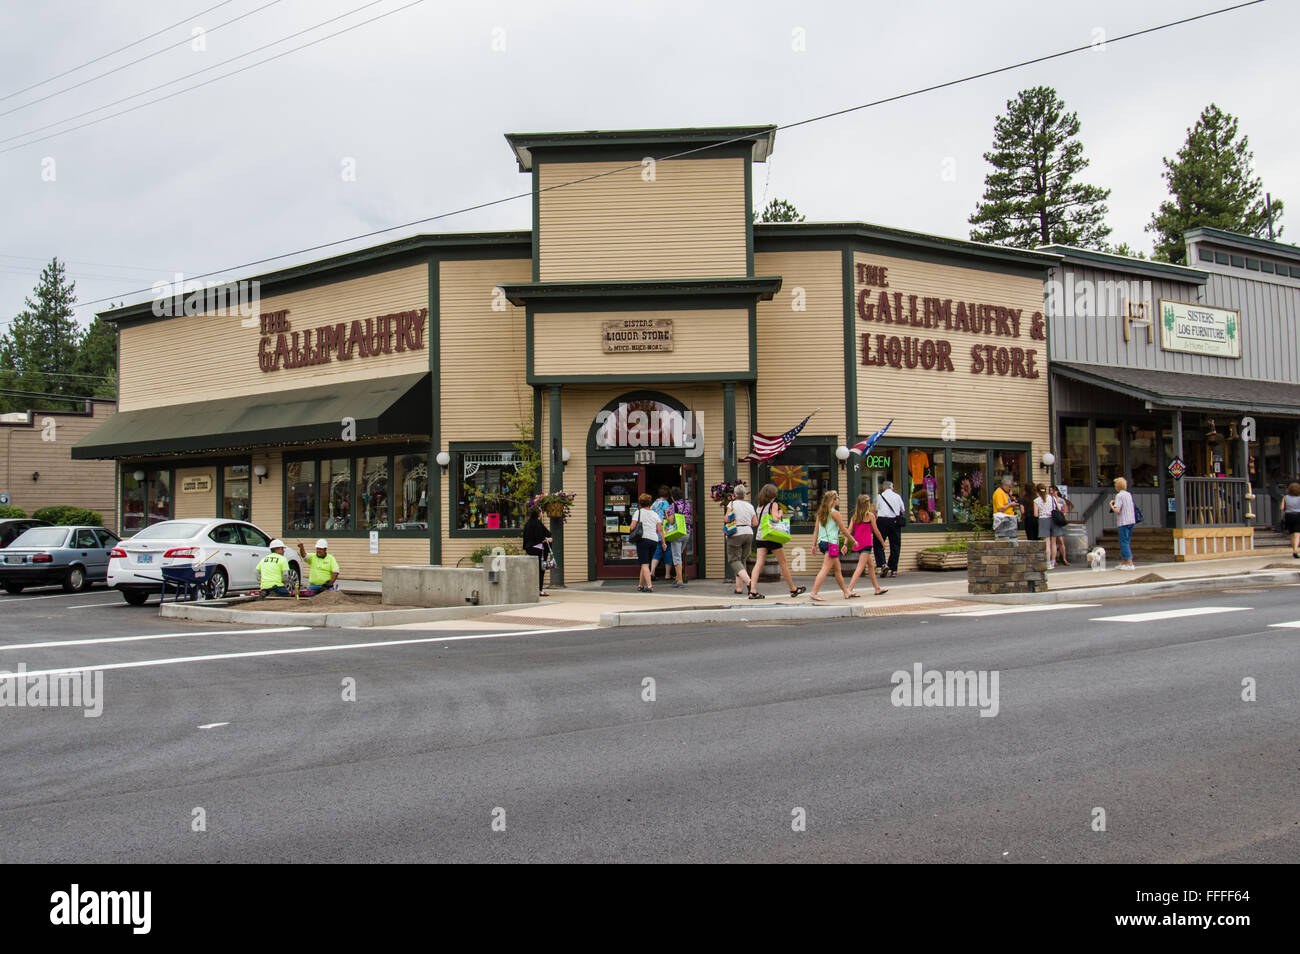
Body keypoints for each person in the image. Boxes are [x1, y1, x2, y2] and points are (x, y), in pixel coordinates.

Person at [749, 483, 806, 600]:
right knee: (783, 563)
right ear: (772, 495)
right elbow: (775, 518)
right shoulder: (773, 504)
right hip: (772, 537)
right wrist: (780, 513)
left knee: (759, 563)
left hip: (761, 536)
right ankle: (793, 589)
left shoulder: (759, 506)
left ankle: (752, 591)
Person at [809, 491, 856, 601]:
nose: (839, 499)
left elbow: (816, 530)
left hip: (822, 543)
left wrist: (813, 545)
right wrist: (853, 540)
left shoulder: (821, 513)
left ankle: (846, 592)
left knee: (837, 569)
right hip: (831, 544)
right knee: (825, 569)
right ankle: (814, 592)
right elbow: (843, 530)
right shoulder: (835, 513)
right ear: (833, 501)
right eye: (837, 498)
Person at [846, 494, 887, 596]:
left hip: (859, 544)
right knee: (860, 567)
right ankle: (849, 589)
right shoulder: (870, 516)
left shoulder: (854, 516)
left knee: (871, 566)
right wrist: (882, 541)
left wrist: (845, 544)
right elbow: (876, 531)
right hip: (866, 544)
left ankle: (877, 588)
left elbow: (849, 531)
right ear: (866, 504)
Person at [725, 484, 756, 596]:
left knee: (733, 560)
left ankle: (749, 582)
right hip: (748, 532)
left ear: (734, 494)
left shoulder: (732, 504)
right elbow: (755, 523)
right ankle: (738, 588)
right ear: (744, 495)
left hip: (735, 532)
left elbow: (726, 518)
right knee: (741, 561)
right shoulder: (750, 506)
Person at [873, 480, 905, 578]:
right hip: (895, 521)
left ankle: (883, 564)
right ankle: (894, 569)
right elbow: (903, 509)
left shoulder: (880, 496)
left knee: (878, 543)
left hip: (882, 521)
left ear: (883, 488)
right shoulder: (897, 496)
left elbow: (877, 509)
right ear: (892, 488)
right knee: (895, 545)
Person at [631, 492, 662, 593]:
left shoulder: (638, 512)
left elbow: (632, 526)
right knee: (645, 564)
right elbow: (660, 529)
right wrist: (664, 542)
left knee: (644, 564)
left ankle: (649, 586)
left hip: (643, 540)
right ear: (650, 503)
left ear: (640, 503)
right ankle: (640, 585)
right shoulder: (655, 514)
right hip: (654, 541)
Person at [521, 506, 553, 596]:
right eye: (541, 511)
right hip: (539, 550)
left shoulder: (527, 524)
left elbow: (527, 538)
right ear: (538, 513)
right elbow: (540, 537)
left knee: (532, 570)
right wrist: (547, 539)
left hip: (529, 550)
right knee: (541, 570)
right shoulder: (537, 523)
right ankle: (539, 590)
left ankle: (532, 589)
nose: (542, 512)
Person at [666, 486, 692, 588]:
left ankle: (680, 581)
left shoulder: (673, 505)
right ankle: (677, 577)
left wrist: (667, 515)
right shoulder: (687, 504)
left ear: (672, 497)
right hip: (686, 532)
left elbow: (671, 520)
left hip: (677, 533)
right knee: (679, 554)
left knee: (677, 557)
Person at [1110, 477, 1137, 570]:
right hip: (1131, 520)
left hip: (1123, 521)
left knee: (1123, 542)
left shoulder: (1119, 496)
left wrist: (1111, 505)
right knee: (1127, 541)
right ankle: (1123, 562)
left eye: (1115, 485)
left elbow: (1117, 510)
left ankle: (1130, 563)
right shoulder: (1128, 494)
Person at [648, 486, 674, 581]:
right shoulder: (666, 504)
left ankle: (652, 572)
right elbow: (668, 516)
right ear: (667, 495)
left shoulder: (654, 504)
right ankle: (667, 575)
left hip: (655, 531)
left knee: (656, 553)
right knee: (668, 552)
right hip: (665, 531)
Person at [1034, 484, 1059, 569]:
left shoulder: (1036, 501)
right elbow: (1058, 508)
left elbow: (1035, 514)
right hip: (1053, 520)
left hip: (1043, 520)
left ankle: (1048, 563)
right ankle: (1053, 561)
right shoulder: (1052, 498)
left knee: (1047, 543)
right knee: (1054, 542)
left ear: (1037, 491)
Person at [992, 473, 1020, 538]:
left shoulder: (1005, 493)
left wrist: (1011, 496)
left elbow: (1007, 502)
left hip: (1009, 519)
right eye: (1009, 487)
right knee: (1005, 539)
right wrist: (1010, 504)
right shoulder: (999, 493)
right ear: (1004, 485)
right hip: (1003, 520)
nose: (1010, 489)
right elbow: (1000, 508)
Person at [1049, 485, 1072, 566]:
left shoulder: (1061, 500)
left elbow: (1065, 510)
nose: (1051, 492)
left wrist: (1062, 516)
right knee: (1053, 541)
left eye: (1053, 490)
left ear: (1057, 491)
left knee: (1061, 541)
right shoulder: (1049, 499)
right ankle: (1053, 559)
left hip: (1058, 521)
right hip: (1052, 520)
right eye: (1050, 491)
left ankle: (1064, 558)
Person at [1283, 482, 1300, 559]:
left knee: (1292, 534)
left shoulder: (1285, 497)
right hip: (1298, 515)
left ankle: (1294, 551)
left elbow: (1281, 507)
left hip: (1288, 516)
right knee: (1297, 534)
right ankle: (1296, 549)